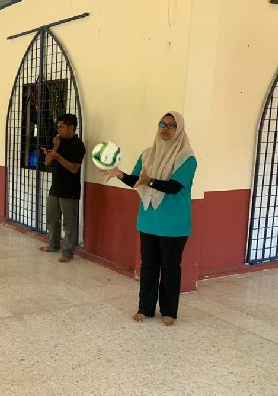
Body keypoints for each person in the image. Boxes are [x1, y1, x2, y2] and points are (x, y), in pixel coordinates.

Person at [102, 111, 196, 326]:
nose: (165, 128)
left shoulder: (187, 158)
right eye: (162, 124)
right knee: (148, 266)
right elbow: (138, 181)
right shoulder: (147, 154)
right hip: (149, 219)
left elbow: (174, 187)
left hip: (174, 223)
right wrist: (120, 174)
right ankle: (145, 308)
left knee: (170, 268)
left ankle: (169, 311)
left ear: (179, 129)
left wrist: (150, 181)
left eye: (171, 125)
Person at [40, 114, 86, 263]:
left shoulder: (78, 145)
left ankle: (68, 252)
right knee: (51, 218)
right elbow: (47, 163)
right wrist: (54, 148)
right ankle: (53, 245)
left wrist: (58, 157)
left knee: (69, 223)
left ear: (71, 127)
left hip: (69, 190)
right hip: (55, 187)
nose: (58, 129)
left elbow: (74, 168)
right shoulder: (59, 142)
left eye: (61, 127)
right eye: (58, 126)